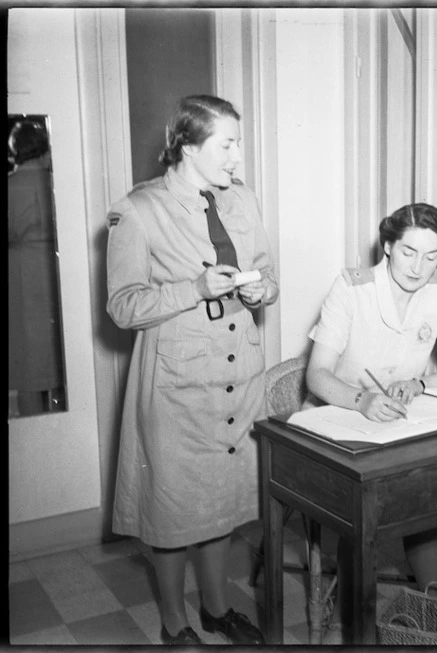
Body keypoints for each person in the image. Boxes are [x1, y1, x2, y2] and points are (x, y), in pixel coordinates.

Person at [106, 95, 278, 645]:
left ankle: (217, 609)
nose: (237, 157)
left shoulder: (243, 200)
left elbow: (270, 276)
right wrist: (194, 289)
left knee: (222, 502)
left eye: (237, 143)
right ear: (186, 145)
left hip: (240, 375)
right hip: (177, 383)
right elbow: (124, 305)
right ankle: (175, 622)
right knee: (174, 510)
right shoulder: (139, 208)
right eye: (227, 144)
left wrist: (260, 290)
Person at [305, 202, 437, 644]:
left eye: (431, 256)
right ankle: (350, 620)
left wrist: (421, 383)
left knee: (426, 495)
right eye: (408, 252)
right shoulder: (351, 287)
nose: (419, 267)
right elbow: (317, 374)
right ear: (387, 246)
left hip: (401, 417)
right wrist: (361, 400)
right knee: (359, 508)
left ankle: (431, 610)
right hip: (342, 414)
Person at [8, 119, 65, 417]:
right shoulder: (56, 182)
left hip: (20, 278)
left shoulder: (11, 185)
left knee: (28, 362)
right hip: (56, 270)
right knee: (60, 357)